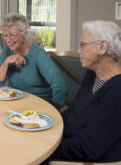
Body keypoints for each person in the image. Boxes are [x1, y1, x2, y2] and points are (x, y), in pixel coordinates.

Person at [46, 20, 121, 163]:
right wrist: (47, 122)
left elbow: (90, 148)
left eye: (83, 45)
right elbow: (74, 112)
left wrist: (49, 145)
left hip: (96, 158)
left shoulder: (117, 90)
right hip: (73, 141)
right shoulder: (93, 73)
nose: (78, 51)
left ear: (102, 47)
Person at [0, 13, 66, 107]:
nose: (8, 40)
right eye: (5, 35)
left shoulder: (38, 54)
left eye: (12, 35)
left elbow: (60, 86)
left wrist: (54, 111)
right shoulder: (8, 50)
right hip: (19, 104)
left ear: (24, 34)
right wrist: (6, 61)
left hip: (40, 106)